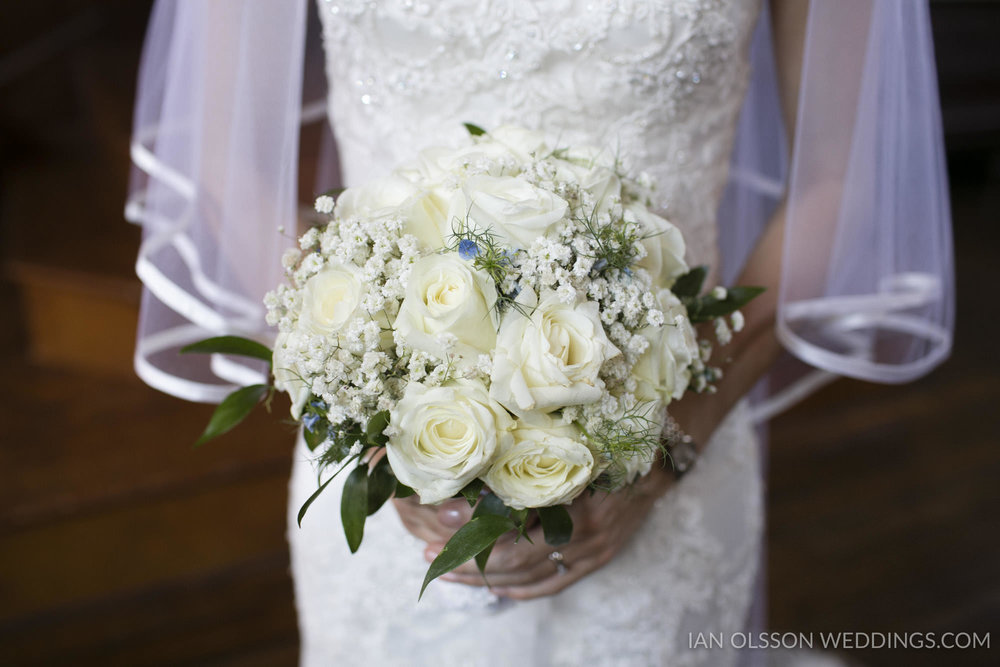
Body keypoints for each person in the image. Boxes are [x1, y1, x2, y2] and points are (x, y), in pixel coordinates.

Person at [126, 1, 954, 665]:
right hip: (388, 480)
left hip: (673, 436)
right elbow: (225, 165)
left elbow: (844, 179)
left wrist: (667, 443)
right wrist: (366, 406)